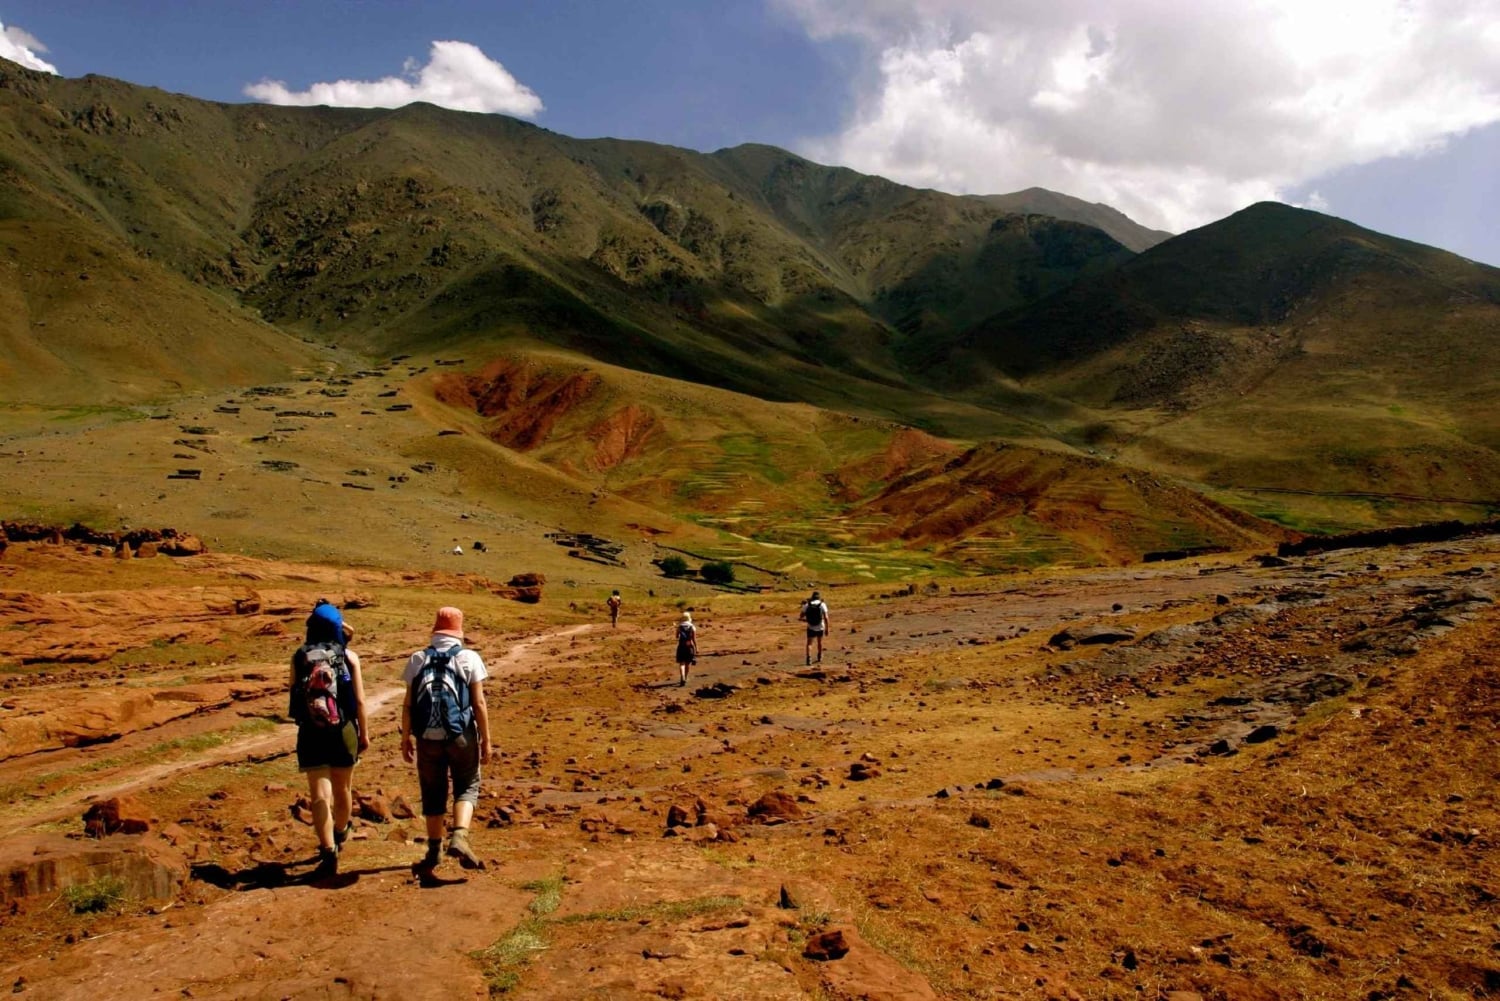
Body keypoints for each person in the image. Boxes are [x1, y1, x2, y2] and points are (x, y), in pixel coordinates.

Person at [400, 606, 492, 871]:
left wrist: (406, 738)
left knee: (432, 790)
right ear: (458, 631)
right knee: (467, 783)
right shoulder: (468, 658)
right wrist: (486, 739)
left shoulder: (418, 659)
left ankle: (433, 852)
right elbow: (479, 703)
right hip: (460, 735)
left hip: (427, 737)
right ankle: (460, 836)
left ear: (435, 630)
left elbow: (408, 705)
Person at [290, 600, 368, 878]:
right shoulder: (349, 657)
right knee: (343, 788)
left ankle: (327, 850)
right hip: (343, 729)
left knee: (319, 795)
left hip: (311, 731)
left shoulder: (299, 657)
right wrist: (364, 734)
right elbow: (360, 701)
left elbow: (294, 695)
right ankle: (340, 831)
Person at [801, 590, 829, 666]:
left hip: (811, 626)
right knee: (820, 642)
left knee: (809, 643)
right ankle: (819, 656)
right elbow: (826, 617)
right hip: (820, 626)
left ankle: (808, 659)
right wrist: (827, 628)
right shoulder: (822, 604)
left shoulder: (807, 605)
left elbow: (801, 615)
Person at [674, 610, 697, 687]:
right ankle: (686, 678)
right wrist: (696, 648)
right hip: (689, 646)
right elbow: (694, 639)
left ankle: (682, 677)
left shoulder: (679, 627)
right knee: (688, 663)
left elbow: (676, 636)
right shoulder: (692, 627)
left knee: (682, 663)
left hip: (681, 646)